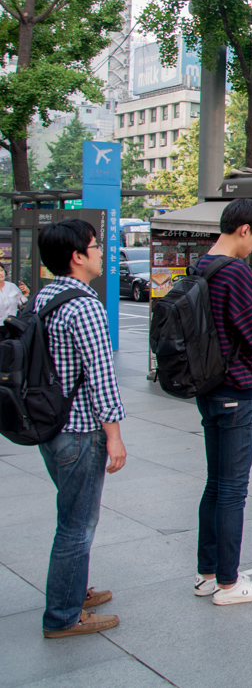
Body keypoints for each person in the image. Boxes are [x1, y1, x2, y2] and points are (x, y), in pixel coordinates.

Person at [192, 200, 252, 605]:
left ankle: (207, 573)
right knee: (234, 489)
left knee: (215, 484)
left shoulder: (203, 265)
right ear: (245, 230)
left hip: (209, 386)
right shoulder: (235, 272)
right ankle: (229, 584)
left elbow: (222, 320)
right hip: (238, 387)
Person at [31, 219, 127, 638]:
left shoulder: (44, 298)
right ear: (77, 256)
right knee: (77, 524)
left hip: (49, 427)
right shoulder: (84, 306)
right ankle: (64, 615)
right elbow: (100, 376)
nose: (102, 251)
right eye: (95, 245)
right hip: (80, 431)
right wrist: (115, 436)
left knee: (70, 514)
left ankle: (74, 590)